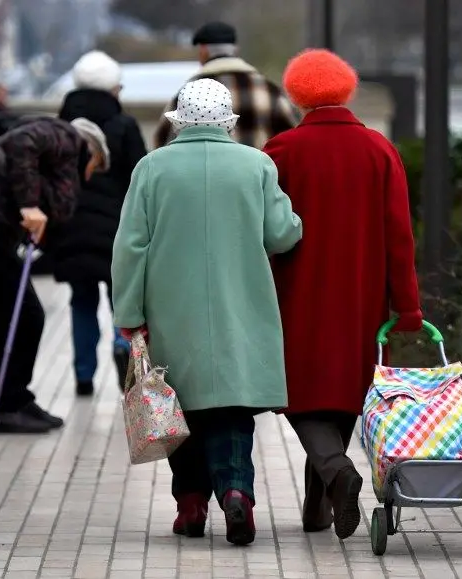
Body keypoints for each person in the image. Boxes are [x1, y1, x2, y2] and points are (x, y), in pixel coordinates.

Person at [112, 79, 303, 545]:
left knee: (182, 410)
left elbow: (131, 247)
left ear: (179, 120)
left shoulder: (151, 168)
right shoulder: (256, 164)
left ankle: (191, 504)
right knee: (232, 410)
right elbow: (282, 234)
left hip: (169, 310)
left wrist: (129, 312)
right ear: (227, 123)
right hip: (240, 307)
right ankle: (237, 492)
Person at [262, 49, 423, 540]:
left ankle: (335, 473)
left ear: (297, 93)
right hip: (362, 295)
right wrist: (408, 305)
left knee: (301, 392)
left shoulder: (281, 151)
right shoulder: (378, 149)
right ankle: (320, 505)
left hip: (298, 293)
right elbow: (400, 233)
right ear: (346, 89)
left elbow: (264, 229)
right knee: (343, 392)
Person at [0, 116, 110, 434]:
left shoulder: (48, 162)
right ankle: (6, 405)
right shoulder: (66, 136)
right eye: (95, 164)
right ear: (90, 150)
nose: (90, 174)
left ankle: (14, 399)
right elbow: (21, 143)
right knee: (26, 314)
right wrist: (29, 206)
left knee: (17, 311)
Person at [48, 51, 148, 397]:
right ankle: (123, 354)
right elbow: (140, 179)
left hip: (71, 228)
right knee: (122, 301)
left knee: (81, 300)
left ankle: (83, 374)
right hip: (116, 231)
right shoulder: (125, 126)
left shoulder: (60, 128)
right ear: (113, 89)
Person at [152, 21, 298, 150]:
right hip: (257, 179)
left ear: (203, 51)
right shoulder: (269, 90)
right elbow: (292, 140)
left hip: (204, 179)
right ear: (236, 49)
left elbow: (162, 143)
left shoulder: (188, 93)